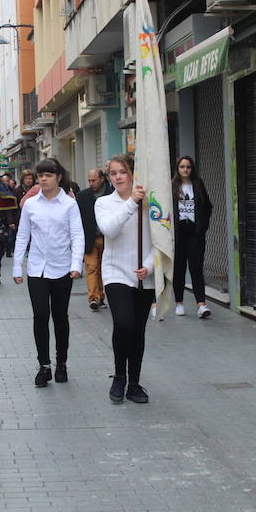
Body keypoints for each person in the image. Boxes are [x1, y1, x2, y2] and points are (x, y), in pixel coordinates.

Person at [13, 158, 84, 387]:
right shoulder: (31, 204)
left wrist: (76, 264)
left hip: (62, 267)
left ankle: (61, 363)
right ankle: (44, 365)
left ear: (58, 177)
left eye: (48, 175)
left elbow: (77, 235)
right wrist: (17, 267)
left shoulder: (69, 204)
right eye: (40, 175)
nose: (43, 179)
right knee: (40, 314)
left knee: (60, 316)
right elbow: (23, 236)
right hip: (37, 268)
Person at [95, 154, 154, 404]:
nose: (118, 177)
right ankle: (119, 375)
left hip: (143, 274)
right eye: (113, 173)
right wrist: (131, 203)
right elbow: (109, 229)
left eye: (122, 172)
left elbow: (161, 239)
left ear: (132, 174)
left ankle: (134, 383)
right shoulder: (104, 203)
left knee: (138, 331)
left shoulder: (150, 203)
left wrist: (149, 267)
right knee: (124, 323)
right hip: (115, 271)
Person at [171, 156, 212, 318]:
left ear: (192, 168)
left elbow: (208, 206)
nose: (185, 169)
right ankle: (179, 303)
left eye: (188, 166)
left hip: (195, 232)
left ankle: (201, 305)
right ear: (178, 169)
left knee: (196, 269)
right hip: (179, 232)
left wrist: (202, 226)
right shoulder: (173, 186)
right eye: (182, 166)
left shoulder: (198, 184)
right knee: (178, 269)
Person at [77, 168, 113, 310]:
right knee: (92, 268)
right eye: (89, 181)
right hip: (90, 239)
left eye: (94, 180)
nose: (91, 183)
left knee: (103, 269)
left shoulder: (112, 194)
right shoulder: (82, 196)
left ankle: (101, 296)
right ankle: (94, 298)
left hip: (108, 239)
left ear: (102, 179)